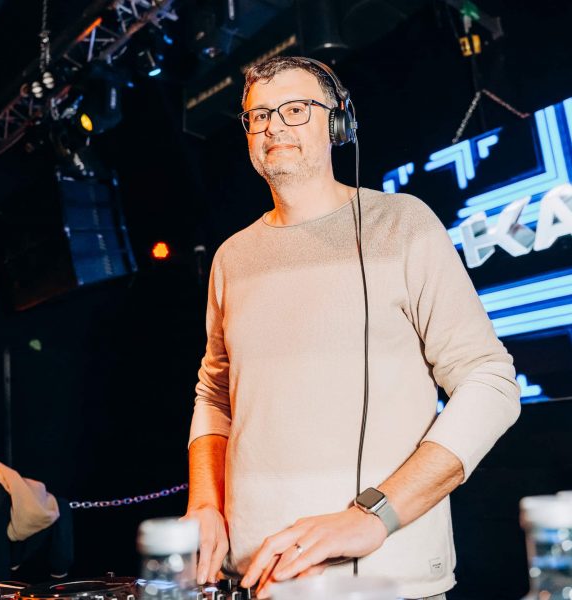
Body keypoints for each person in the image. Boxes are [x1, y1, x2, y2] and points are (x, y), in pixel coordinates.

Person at [184, 56, 521, 600]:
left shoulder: (403, 224)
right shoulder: (231, 257)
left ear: (338, 122)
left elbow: (490, 382)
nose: (275, 126)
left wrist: (375, 514)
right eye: (260, 115)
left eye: (296, 109)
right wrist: (205, 501)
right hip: (256, 580)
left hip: (386, 579)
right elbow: (215, 396)